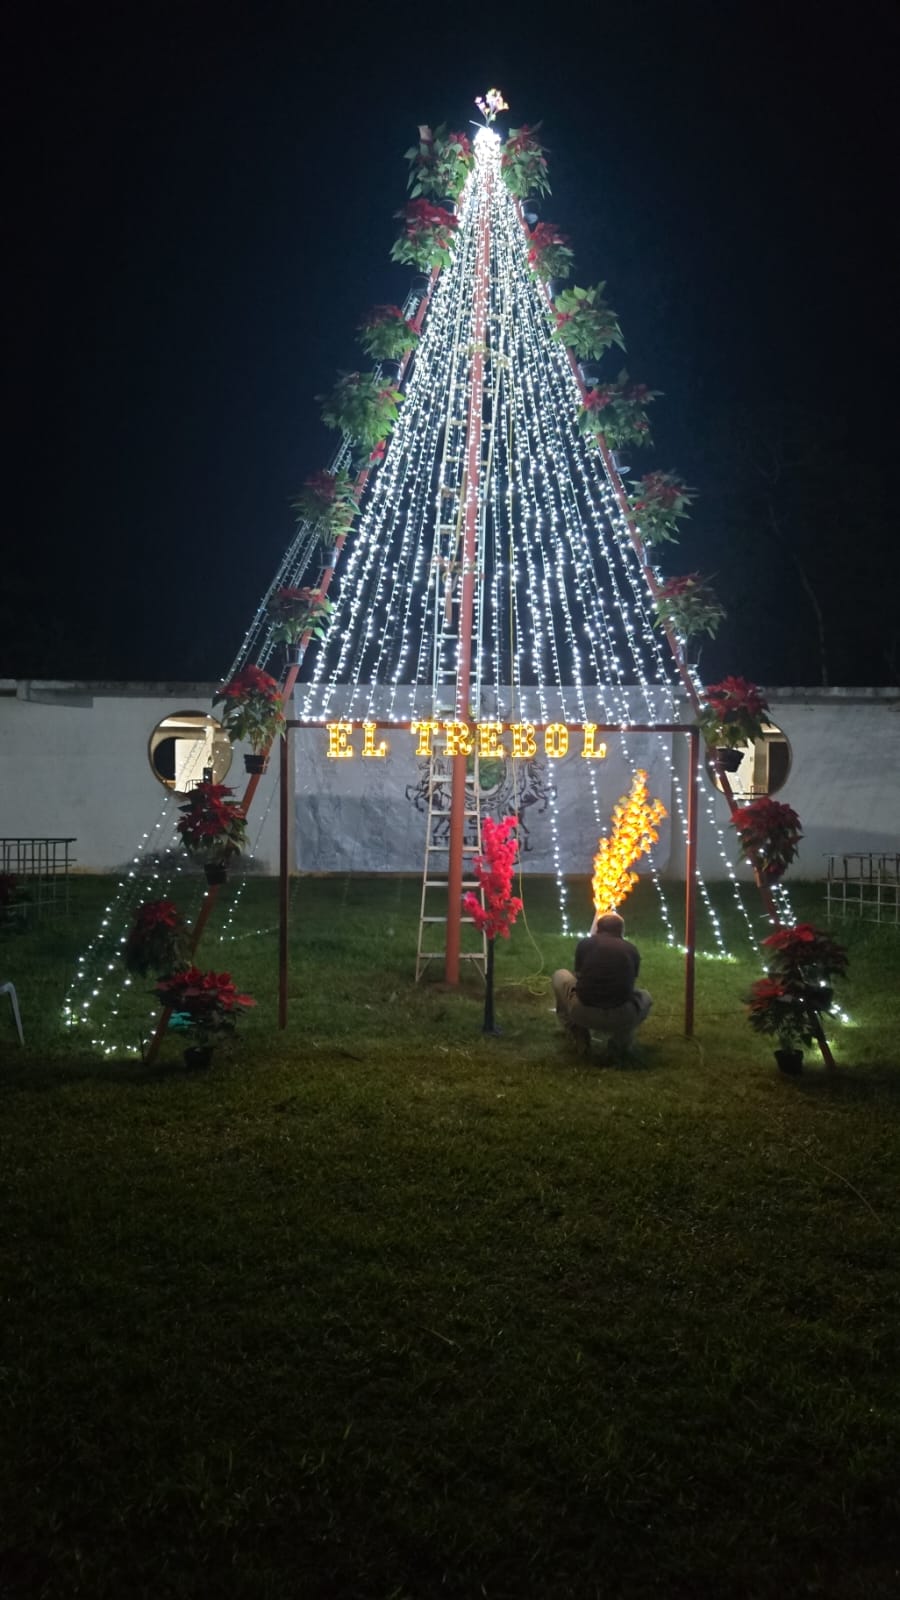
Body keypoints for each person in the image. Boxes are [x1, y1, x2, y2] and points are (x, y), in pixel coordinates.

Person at [552, 910, 652, 1055]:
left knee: (560, 975)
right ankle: (620, 1044)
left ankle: (577, 1034)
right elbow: (631, 981)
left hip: (582, 1012)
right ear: (621, 931)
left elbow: (578, 975)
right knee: (645, 997)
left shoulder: (585, 944)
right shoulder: (631, 949)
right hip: (621, 1015)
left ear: (598, 928)